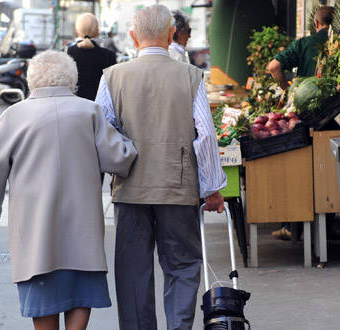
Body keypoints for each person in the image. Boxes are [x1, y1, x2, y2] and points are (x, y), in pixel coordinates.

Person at [0, 50, 137, 330]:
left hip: (36, 229)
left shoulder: (14, 115)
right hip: (82, 227)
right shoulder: (90, 111)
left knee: (42, 294)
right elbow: (118, 159)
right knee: (80, 292)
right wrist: (130, 143)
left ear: (31, 80)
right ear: (72, 79)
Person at [94, 4, 227, 329]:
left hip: (130, 190)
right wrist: (211, 188)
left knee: (133, 272)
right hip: (178, 188)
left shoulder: (113, 77)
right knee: (182, 266)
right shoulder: (190, 76)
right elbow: (205, 135)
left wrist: (118, 168)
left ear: (132, 35)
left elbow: (99, 133)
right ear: (171, 35)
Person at [267, 5, 334, 240]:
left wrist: (288, 91)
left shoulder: (305, 44)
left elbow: (273, 66)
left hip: (308, 114)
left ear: (316, 24)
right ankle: (331, 225)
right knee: (331, 172)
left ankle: (294, 226)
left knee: (301, 167)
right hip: (338, 117)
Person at [267, 6, 333, 90]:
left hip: (307, 99)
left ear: (316, 22)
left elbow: (273, 66)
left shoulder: (303, 44)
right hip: (338, 101)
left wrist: (287, 91)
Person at [67, 13, 117, 101]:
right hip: (99, 106)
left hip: (74, 104)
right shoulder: (109, 55)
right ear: (97, 31)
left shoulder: (69, 53)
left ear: (77, 30)